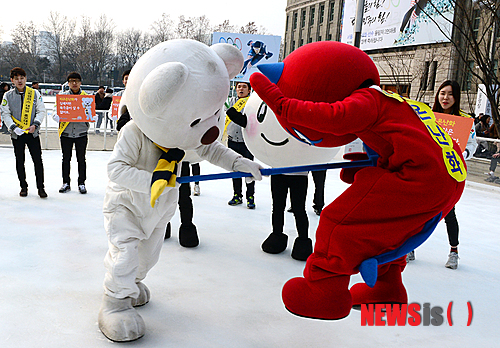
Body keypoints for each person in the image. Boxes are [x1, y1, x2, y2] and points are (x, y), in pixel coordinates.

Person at [407, 80, 477, 269]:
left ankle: (454, 251)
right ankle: (410, 246)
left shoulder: (464, 120)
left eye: (450, 94)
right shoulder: (427, 116)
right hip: (428, 171)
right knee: (419, 210)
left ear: (457, 97)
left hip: (450, 174)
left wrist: (463, 153)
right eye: (442, 93)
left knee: (449, 212)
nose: (445, 98)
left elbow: (472, 145)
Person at [0, 67, 47, 198]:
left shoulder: (35, 93)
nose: (19, 81)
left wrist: (35, 124)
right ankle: (23, 186)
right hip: (17, 134)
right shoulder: (7, 95)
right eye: (16, 79)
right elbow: (5, 113)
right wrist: (13, 127)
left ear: (26, 79)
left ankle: (41, 187)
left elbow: (41, 110)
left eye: (22, 78)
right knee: (20, 161)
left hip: (33, 133)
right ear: (12, 80)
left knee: (38, 160)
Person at [52, 72, 90, 194]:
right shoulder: (62, 97)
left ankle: (81, 183)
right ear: (68, 83)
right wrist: (57, 116)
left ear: (80, 83)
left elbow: (91, 113)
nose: (74, 83)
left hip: (81, 133)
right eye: (72, 81)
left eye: (77, 81)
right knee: (66, 159)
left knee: (81, 159)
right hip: (66, 133)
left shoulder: (86, 97)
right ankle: (66, 182)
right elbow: (54, 111)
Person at [225, 82, 256, 209]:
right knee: (235, 169)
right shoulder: (229, 102)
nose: (241, 89)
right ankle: (237, 195)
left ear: (249, 90)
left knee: (250, 170)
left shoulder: (252, 103)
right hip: (232, 140)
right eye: (239, 87)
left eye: (244, 87)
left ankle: (250, 197)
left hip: (247, 143)